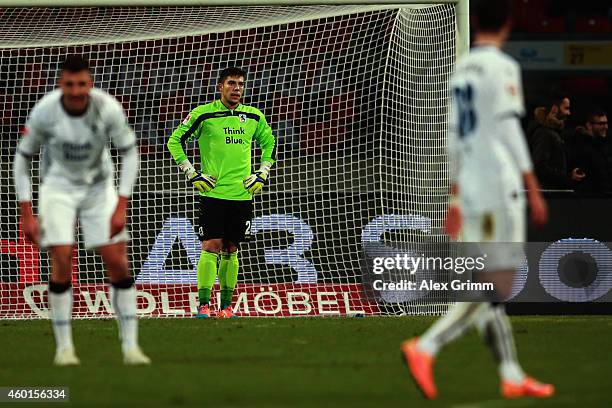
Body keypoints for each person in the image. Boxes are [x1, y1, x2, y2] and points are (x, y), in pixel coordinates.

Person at [400, 0, 554, 399]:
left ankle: (511, 373)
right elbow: (509, 129)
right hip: (498, 184)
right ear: (506, 25)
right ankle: (426, 347)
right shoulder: (501, 67)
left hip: (470, 185)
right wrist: (532, 184)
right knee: (496, 284)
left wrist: (453, 197)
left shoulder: (460, 72)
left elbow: (453, 139)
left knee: (490, 286)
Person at [12, 55, 150, 366]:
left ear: (90, 84)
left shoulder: (107, 107)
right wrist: (26, 211)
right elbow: (23, 160)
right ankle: (64, 350)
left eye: (82, 84)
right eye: (70, 84)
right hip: (57, 187)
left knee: (117, 262)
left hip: (99, 188)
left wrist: (121, 204)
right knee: (61, 259)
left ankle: (130, 348)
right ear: (61, 84)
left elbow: (130, 154)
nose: (76, 90)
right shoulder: (45, 111)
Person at [167, 67, 276, 318]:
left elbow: (269, 142)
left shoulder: (254, 117)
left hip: (242, 195)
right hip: (213, 193)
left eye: (240, 84)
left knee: (231, 248)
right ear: (220, 87)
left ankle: (226, 307)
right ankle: (204, 305)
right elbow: (175, 140)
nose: (237, 88)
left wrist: (263, 172)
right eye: (231, 83)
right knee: (210, 245)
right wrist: (191, 173)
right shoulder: (204, 114)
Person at [527, 92, 585, 189]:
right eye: (566, 108)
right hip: (551, 195)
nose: (569, 113)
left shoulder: (553, 132)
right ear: (554, 109)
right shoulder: (544, 133)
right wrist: (567, 177)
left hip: (554, 193)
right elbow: (539, 166)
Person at [570, 109, 611, 193]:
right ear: (589, 125)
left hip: (604, 198)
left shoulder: (603, 146)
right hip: (590, 199)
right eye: (601, 124)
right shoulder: (580, 147)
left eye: (606, 123)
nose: (606, 127)